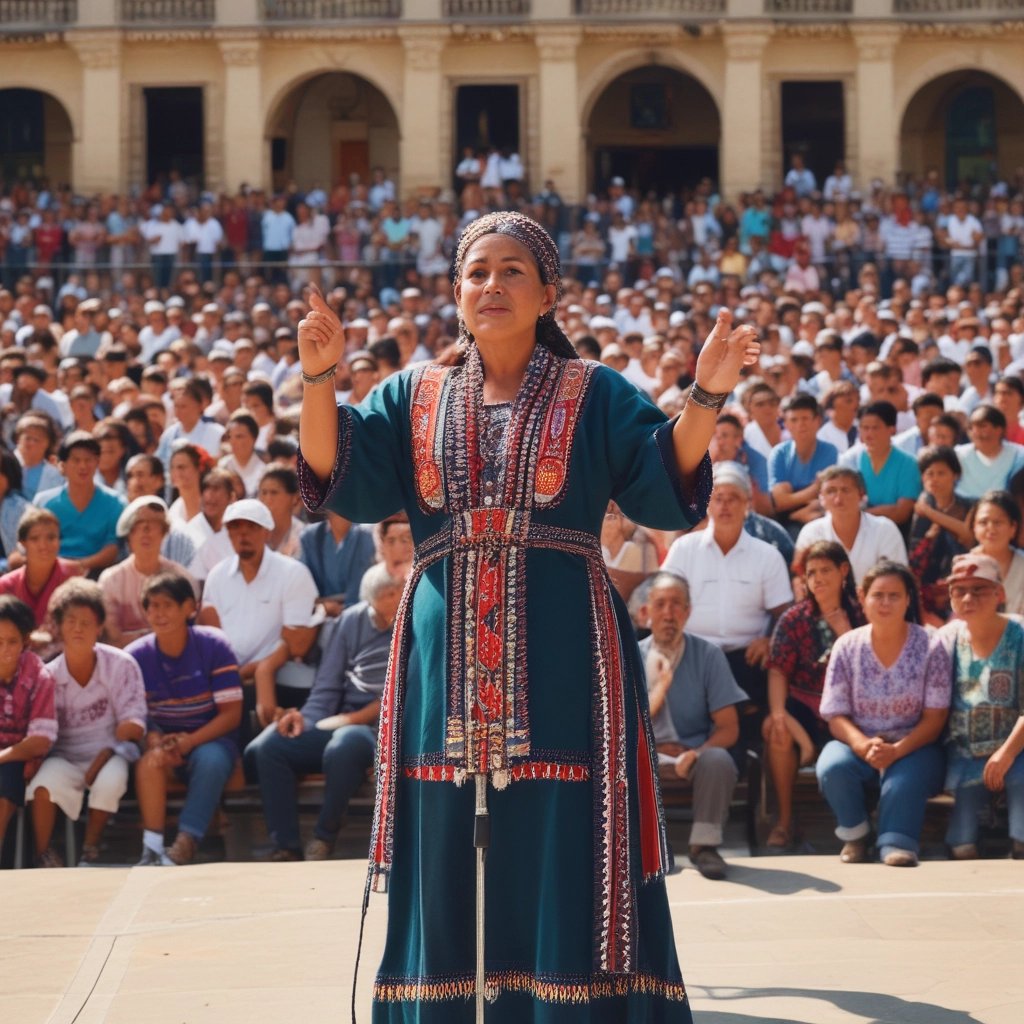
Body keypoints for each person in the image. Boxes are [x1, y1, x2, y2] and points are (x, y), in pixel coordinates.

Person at [296, 211, 758, 1018]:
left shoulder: (594, 390)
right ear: (455, 293)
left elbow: (661, 479)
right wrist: (317, 378)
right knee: (443, 828)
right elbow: (334, 472)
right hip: (442, 659)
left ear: (548, 294)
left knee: (564, 824)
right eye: (476, 272)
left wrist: (707, 394)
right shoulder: (413, 393)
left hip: (567, 650)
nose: (492, 285)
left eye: (512, 270)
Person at [245, 563, 402, 861]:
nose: (394, 600)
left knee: (344, 743)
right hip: (339, 718)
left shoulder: (413, 618)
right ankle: (286, 846)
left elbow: (403, 689)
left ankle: (324, 835)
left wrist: (358, 718)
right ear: (371, 600)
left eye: (397, 592)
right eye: (387, 595)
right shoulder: (351, 621)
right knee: (270, 746)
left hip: (383, 727)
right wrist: (305, 719)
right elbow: (327, 684)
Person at [816, 561, 951, 867]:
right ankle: (856, 836)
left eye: (894, 595)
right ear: (863, 598)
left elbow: (936, 717)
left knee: (903, 781)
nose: (886, 603)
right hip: (860, 743)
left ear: (908, 600)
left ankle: (895, 842)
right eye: (878, 595)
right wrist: (863, 744)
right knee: (832, 766)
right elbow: (835, 715)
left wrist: (897, 750)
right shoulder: (846, 646)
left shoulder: (931, 645)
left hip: (915, 745)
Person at [26, 579, 147, 867]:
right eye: (70, 621)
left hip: (112, 754)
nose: (78, 628)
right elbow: (43, 733)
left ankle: (89, 851)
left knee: (110, 782)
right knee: (42, 787)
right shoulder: (46, 676)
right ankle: (43, 856)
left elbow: (133, 725)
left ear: (99, 626)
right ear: (59, 627)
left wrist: (105, 754)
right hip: (64, 757)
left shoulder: (121, 664)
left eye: (86, 622)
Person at [127, 571, 243, 866]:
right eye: (152, 606)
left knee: (211, 760)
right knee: (150, 762)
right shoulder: (134, 656)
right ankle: (151, 850)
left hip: (211, 740)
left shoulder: (215, 645)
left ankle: (186, 842)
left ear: (189, 607)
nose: (159, 613)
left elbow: (231, 715)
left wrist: (190, 741)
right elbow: (134, 712)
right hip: (164, 743)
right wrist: (154, 737)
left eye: (167, 605)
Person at [641, 572, 748, 880]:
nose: (668, 613)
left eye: (677, 604)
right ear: (647, 612)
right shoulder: (630, 654)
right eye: (660, 604)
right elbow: (626, 726)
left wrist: (697, 752)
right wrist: (661, 687)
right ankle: (646, 849)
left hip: (692, 753)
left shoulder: (708, 655)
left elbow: (729, 727)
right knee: (624, 760)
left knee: (718, 759)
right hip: (647, 754)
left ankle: (704, 846)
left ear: (688, 612)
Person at [662, 461, 793, 712]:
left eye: (733, 498)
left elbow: (784, 614)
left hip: (746, 658)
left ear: (747, 505)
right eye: (718, 498)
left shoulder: (767, 556)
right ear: (707, 504)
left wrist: (769, 640)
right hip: (690, 653)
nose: (724, 505)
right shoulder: (684, 548)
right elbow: (663, 598)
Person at [765, 541, 865, 851]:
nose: (817, 579)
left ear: (843, 571)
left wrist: (844, 631)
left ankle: (862, 822)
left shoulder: (862, 613)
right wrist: (778, 712)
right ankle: (784, 822)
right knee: (777, 730)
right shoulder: (795, 618)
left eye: (825, 570)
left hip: (853, 709)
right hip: (805, 708)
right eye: (811, 573)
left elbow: (872, 668)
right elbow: (778, 670)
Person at [197, 499, 320, 730]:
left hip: (280, 676)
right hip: (229, 677)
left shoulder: (293, 573)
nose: (243, 534)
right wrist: (232, 674)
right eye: (235, 527)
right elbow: (212, 635)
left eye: (252, 527)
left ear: (266, 532)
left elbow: (295, 643)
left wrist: (260, 670)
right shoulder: (217, 575)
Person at [936, 554, 1024, 860]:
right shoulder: (946, 638)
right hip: (964, 752)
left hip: (1017, 749)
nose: (968, 598)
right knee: (962, 847)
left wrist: (1006, 754)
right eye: (959, 591)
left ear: (999, 593)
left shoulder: (1021, 635)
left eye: (979, 589)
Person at [99, 496, 197, 647]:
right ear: (129, 535)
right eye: (138, 525)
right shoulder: (111, 581)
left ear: (164, 533)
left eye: (154, 524)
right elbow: (112, 638)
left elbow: (190, 630)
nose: (146, 531)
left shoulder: (183, 578)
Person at [0, 594, 56, 853]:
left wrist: (2, 757)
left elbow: (39, 741)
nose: (4, 649)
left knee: (5, 778)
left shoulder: (39, 675)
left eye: (12, 641)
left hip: (17, 762)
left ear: (25, 641)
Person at [794, 466, 908, 583]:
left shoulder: (885, 529)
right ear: (821, 497)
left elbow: (898, 579)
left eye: (845, 490)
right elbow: (801, 578)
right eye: (831, 491)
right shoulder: (810, 532)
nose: (838, 499)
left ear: (861, 495)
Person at [34, 431, 126, 574]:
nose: (83, 466)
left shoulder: (116, 502)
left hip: (98, 573)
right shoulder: (44, 502)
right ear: (63, 465)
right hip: (50, 571)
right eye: (76, 460)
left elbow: (113, 547)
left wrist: (79, 566)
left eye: (88, 460)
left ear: (97, 462)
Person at [908, 445, 972, 625]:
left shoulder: (969, 506)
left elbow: (968, 536)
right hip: (928, 592)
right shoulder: (919, 513)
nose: (934, 479)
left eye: (941, 473)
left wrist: (931, 513)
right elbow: (915, 559)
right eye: (929, 473)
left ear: (955, 475)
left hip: (963, 585)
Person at [298, 511, 377, 616]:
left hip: (359, 615)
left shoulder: (366, 535)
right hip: (319, 615)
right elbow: (303, 587)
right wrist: (323, 606)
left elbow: (361, 590)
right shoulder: (310, 536)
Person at [968, 490, 1024, 616]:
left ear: (1013, 527)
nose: (991, 528)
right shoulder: (964, 566)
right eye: (983, 522)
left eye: (998, 522)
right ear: (974, 527)